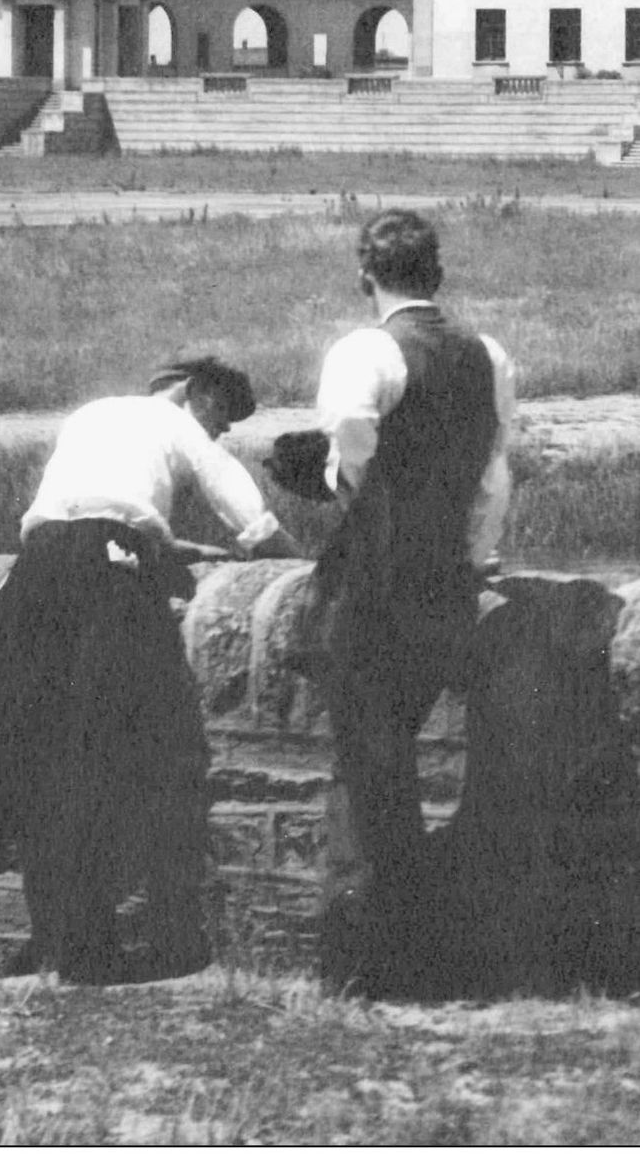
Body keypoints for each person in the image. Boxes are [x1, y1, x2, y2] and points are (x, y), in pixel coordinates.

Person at [0, 354, 298, 984]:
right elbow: (244, 511)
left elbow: (87, 507)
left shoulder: (91, 417)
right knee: (104, 751)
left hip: (35, 569)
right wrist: (297, 563)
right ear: (194, 392)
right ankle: (87, 950)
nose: (219, 432)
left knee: (2, 756)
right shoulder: (174, 421)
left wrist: (156, 540)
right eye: (221, 416)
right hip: (109, 575)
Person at [282, 209, 515, 990]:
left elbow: (349, 433)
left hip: (374, 588)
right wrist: (474, 558)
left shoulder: (367, 349)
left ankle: (381, 957)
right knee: (386, 763)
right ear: (437, 276)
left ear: (364, 275)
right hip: (445, 584)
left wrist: (337, 482)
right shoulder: (488, 356)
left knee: (370, 769)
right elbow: (492, 477)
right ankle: (389, 950)